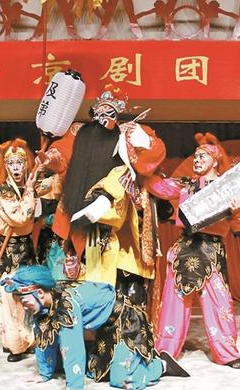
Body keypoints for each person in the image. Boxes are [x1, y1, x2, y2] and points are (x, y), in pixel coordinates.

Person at [146, 133, 240, 369]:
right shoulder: (185, 185)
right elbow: (158, 187)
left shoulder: (229, 188)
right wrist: (142, 165)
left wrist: (238, 212)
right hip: (185, 247)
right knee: (174, 303)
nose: (197, 159)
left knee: (218, 303)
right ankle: (165, 350)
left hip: (212, 250)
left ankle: (227, 353)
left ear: (215, 160)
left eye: (202, 156)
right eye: (195, 156)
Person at [38, 85, 166, 306]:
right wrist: (50, 159)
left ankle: (104, 200)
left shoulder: (128, 132)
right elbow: (62, 153)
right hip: (83, 214)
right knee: (82, 282)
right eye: (99, 113)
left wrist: (143, 141)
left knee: (127, 290)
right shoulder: (79, 133)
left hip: (123, 221)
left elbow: (155, 153)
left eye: (109, 113)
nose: (103, 118)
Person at [1, 265, 189, 390]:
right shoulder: (45, 303)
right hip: (104, 327)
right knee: (94, 370)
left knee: (122, 379)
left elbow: (72, 347)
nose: (23, 306)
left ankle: (162, 364)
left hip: (125, 319)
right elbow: (44, 335)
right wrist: (44, 373)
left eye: (23, 301)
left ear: (40, 293)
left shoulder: (67, 305)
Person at [0, 138, 39, 362]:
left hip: (26, 248)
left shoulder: (27, 187)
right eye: (11, 163)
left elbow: (52, 189)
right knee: (8, 298)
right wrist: (29, 192)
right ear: (6, 166)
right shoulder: (4, 191)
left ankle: (29, 340)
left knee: (28, 296)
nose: (16, 168)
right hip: (8, 251)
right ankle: (14, 345)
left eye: (20, 162)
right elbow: (20, 217)